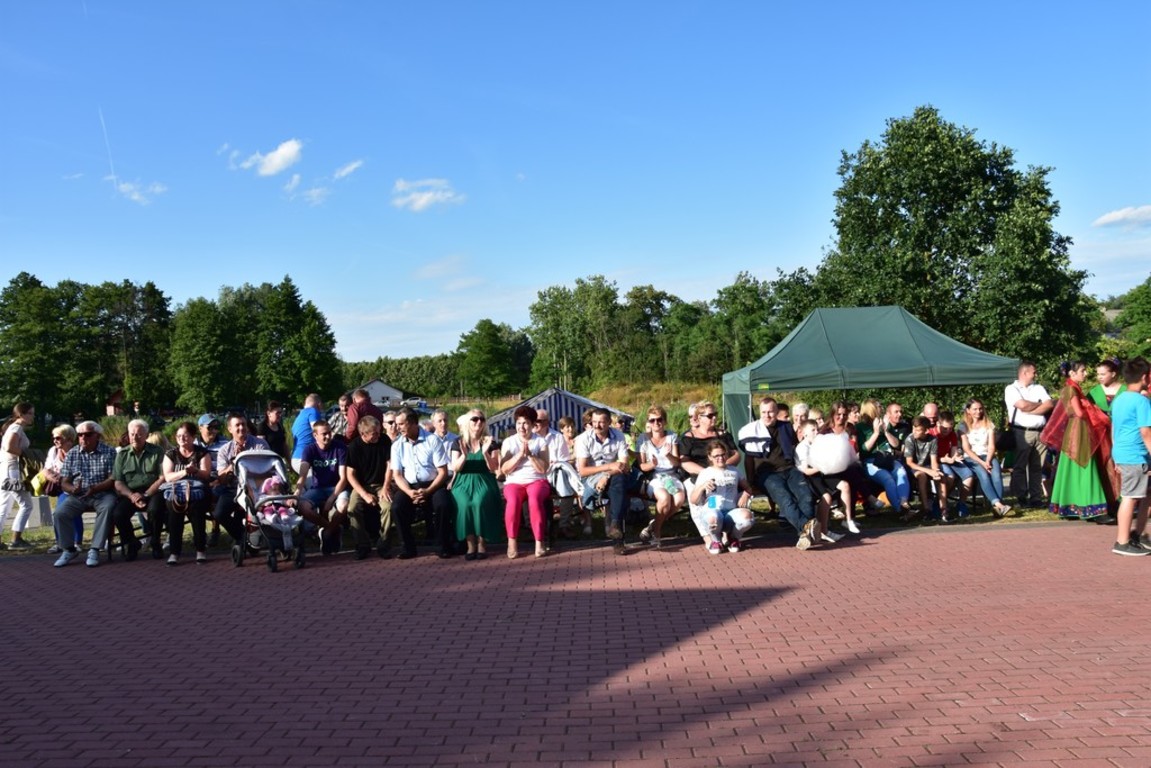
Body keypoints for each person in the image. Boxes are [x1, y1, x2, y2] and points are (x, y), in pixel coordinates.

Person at [738, 397, 822, 550]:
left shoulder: (786, 427)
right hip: (767, 474)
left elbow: (795, 448)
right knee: (785, 498)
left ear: (777, 412)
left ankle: (804, 534)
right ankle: (806, 527)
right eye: (763, 412)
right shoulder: (752, 431)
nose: (767, 415)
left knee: (806, 495)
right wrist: (750, 483)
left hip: (789, 469)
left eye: (770, 412)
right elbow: (748, 459)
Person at [1044, 361, 1113, 520]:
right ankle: (1093, 509)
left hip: (1075, 430)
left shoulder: (1072, 388)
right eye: (1082, 370)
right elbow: (1079, 413)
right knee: (1086, 466)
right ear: (1072, 373)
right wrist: (1096, 411)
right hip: (1078, 431)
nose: (1086, 373)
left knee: (1074, 468)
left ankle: (1072, 506)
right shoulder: (1071, 389)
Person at [387, 406, 453, 559]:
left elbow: (443, 472)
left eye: (401, 424)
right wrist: (409, 492)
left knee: (443, 504)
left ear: (412, 423)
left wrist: (428, 491)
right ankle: (408, 547)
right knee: (397, 507)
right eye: (396, 424)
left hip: (433, 484)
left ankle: (442, 545)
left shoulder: (432, 440)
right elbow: (397, 475)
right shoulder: (397, 445)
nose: (397, 427)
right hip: (409, 486)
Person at [52, 421, 118, 567]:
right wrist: (72, 489)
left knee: (107, 508)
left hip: (103, 493)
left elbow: (112, 479)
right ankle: (69, 549)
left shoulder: (109, 452)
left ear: (97, 436)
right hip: (79, 495)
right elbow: (64, 481)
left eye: (88, 434)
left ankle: (95, 549)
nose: (83, 438)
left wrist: (95, 488)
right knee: (59, 513)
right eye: (80, 435)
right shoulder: (73, 453)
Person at [1108, 357, 1151, 556]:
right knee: (1130, 497)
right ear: (1144, 377)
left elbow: (1114, 428)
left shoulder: (1120, 399)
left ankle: (1138, 534)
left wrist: (1115, 454)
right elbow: (1145, 432)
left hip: (1124, 452)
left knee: (1146, 494)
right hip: (1135, 454)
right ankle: (1122, 542)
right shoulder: (1141, 401)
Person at [575, 408, 631, 554]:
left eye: (601, 422)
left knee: (619, 482)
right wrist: (608, 467)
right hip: (591, 476)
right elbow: (583, 470)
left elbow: (625, 465)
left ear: (609, 422)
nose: (597, 425)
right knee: (619, 489)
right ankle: (617, 536)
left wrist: (607, 475)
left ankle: (615, 527)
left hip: (613, 476)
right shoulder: (583, 439)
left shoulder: (618, 436)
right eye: (594, 422)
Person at [213, 413, 270, 552]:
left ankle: (261, 539)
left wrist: (246, 457)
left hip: (257, 487)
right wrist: (234, 462)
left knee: (257, 509)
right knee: (219, 513)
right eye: (237, 425)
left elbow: (267, 469)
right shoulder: (224, 450)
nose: (241, 428)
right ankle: (244, 538)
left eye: (243, 424)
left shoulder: (260, 445)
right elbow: (222, 479)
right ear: (230, 429)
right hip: (234, 488)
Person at [111, 419, 167, 560]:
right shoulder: (122, 454)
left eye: (139, 434)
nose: (135, 437)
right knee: (118, 514)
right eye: (132, 434)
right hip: (131, 492)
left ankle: (155, 542)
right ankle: (132, 543)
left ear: (146, 435)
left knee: (155, 510)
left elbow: (162, 478)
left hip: (152, 491)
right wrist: (132, 496)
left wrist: (146, 494)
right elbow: (118, 482)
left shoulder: (157, 451)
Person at [449, 409, 501, 560]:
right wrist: (464, 456)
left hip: (484, 479)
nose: (479, 422)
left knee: (480, 502)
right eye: (475, 419)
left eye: (482, 419)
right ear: (468, 422)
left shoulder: (490, 442)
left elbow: (494, 467)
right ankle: (470, 544)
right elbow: (455, 468)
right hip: (463, 480)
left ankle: (482, 543)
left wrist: (485, 453)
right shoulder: (458, 442)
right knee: (465, 504)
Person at [500, 406, 551, 558]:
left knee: (534, 500)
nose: (522, 427)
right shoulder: (509, 442)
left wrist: (530, 455)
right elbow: (505, 469)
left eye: (526, 423)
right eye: (519, 423)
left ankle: (539, 543)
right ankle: (512, 543)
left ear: (533, 425)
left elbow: (543, 468)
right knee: (513, 501)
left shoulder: (540, 441)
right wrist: (519, 455)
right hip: (514, 482)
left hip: (536, 480)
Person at [688, 440, 755, 554]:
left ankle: (733, 538)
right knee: (713, 518)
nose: (720, 458)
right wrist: (703, 487)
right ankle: (716, 540)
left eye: (723, 454)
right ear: (710, 457)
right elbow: (693, 500)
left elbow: (748, 488)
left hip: (730, 512)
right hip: (712, 511)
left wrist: (745, 495)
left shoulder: (734, 471)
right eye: (716, 456)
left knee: (747, 518)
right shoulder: (705, 473)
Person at [295, 419, 350, 554]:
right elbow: (303, 475)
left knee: (343, 506)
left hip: (337, 487)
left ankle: (326, 533)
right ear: (315, 435)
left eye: (329, 433)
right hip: (318, 488)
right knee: (302, 506)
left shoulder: (340, 448)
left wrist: (332, 499)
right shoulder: (309, 450)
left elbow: (343, 478)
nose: (328, 436)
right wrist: (297, 493)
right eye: (324, 434)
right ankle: (332, 529)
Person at [161, 421, 212, 565]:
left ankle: (200, 550)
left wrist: (195, 471)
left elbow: (206, 474)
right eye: (178, 436)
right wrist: (184, 472)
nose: (181, 439)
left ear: (193, 437)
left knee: (197, 510)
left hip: (197, 491)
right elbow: (168, 477)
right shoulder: (170, 454)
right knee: (173, 510)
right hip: (176, 490)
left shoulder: (201, 452)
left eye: (185, 435)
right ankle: (174, 552)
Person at [1005, 361, 1054, 507]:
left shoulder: (1038, 388)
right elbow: (1022, 405)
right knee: (1020, 466)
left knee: (1037, 466)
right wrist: (1039, 404)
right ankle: (1021, 497)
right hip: (1022, 432)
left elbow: (1049, 404)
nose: (1036, 375)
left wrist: (1030, 407)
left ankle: (1036, 498)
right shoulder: (1011, 389)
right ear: (1025, 373)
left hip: (1040, 432)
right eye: (1034, 372)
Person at [345, 415, 394, 560]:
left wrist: (386, 486)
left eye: (379, 432)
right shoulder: (354, 447)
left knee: (388, 507)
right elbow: (350, 474)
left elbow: (389, 465)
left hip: (381, 484)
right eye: (374, 434)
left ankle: (384, 543)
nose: (378, 435)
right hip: (362, 486)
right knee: (352, 508)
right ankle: (362, 544)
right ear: (363, 434)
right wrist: (364, 494)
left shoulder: (385, 440)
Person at [636, 405, 684, 549]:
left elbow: (677, 462)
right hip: (654, 476)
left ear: (665, 421)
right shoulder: (643, 439)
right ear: (648, 422)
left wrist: (668, 455)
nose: (656, 423)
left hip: (671, 475)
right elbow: (642, 466)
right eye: (652, 420)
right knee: (664, 498)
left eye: (659, 419)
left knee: (679, 499)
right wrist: (652, 464)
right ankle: (657, 533)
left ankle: (653, 525)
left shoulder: (672, 436)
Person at [795, 419, 851, 536]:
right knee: (826, 497)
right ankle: (823, 531)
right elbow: (806, 471)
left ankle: (848, 520)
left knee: (844, 485)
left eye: (817, 429)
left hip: (821, 473)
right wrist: (823, 466)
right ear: (804, 433)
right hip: (808, 477)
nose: (816, 432)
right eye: (813, 430)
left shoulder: (819, 444)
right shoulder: (802, 448)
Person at [857, 400, 912, 515]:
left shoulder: (884, 423)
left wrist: (886, 431)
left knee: (901, 472)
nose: (881, 408)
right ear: (871, 409)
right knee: (888, 479)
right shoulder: (860, 427)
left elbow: (896, 444)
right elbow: (864, 449)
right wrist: (876, 433)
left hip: (887, 458)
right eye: (879, 406)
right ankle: (900, 509)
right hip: (871, 461)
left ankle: (904, 503)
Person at [960, 399, 1013, 517]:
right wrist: (982, 463)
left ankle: (997, 507)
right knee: (983, 475)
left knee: (996, 474)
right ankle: (999, 505)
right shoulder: (963, 426)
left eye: (980, 409)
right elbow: (966, 449)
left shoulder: (989, 424)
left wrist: (988, 460)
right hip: (972, 458)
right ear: (968, 411)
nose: (978, 411)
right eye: (975, 409)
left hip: (987, 455)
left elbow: (991, 446)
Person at [0, 402, 35, 549]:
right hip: (13, 471)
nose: (33, 417)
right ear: (21, 414)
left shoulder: (13, 427)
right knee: (26, 505)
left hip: (6, 469)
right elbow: (9, 447)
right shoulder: (16, 427)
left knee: (4, 506)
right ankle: (16, 539)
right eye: (30, 413)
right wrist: (27, 455)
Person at [902, 416, 949, 521]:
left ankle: (944, 510)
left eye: (918, 430)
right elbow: (909, 462)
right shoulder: (910, 439)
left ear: (926, 431)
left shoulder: (933, 440)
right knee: (922, 476)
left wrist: (935, 471)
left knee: (941, 477)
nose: (914, 432)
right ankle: (926, 509)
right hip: (913, 467)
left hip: (927, 465)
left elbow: (933, 460)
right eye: (914, 428)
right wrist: (929, 471)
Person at [44, 424, 81, 554]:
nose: (55, 441)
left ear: (69, 438)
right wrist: (51, 477)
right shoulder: (53, 451)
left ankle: (76, 542)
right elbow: (46, 469)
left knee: (74, 511)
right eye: (54, 438)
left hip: (78, 488)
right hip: (62, 489)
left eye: (58, 438)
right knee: (58, 513)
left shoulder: (78, 452)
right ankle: (60, 542)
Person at [936, 410, 975, 518]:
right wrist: (944, 460)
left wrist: (955, 457)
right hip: (938, 461)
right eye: (945, 428)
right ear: (938, 424)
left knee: (969, 476)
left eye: (950, 428)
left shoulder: (952, 434)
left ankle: (961, 504)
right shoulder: (933, 435)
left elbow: (953, 450)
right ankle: (940, 501)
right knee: (950, 477)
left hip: (949, 460)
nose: (948, 431)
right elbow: (931, 457)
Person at [290, 394, 324, 473]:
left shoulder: (299, 417)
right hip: (305, 457)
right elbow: (318, 431)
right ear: (319, 404)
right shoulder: (313, 411)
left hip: (295, 457)